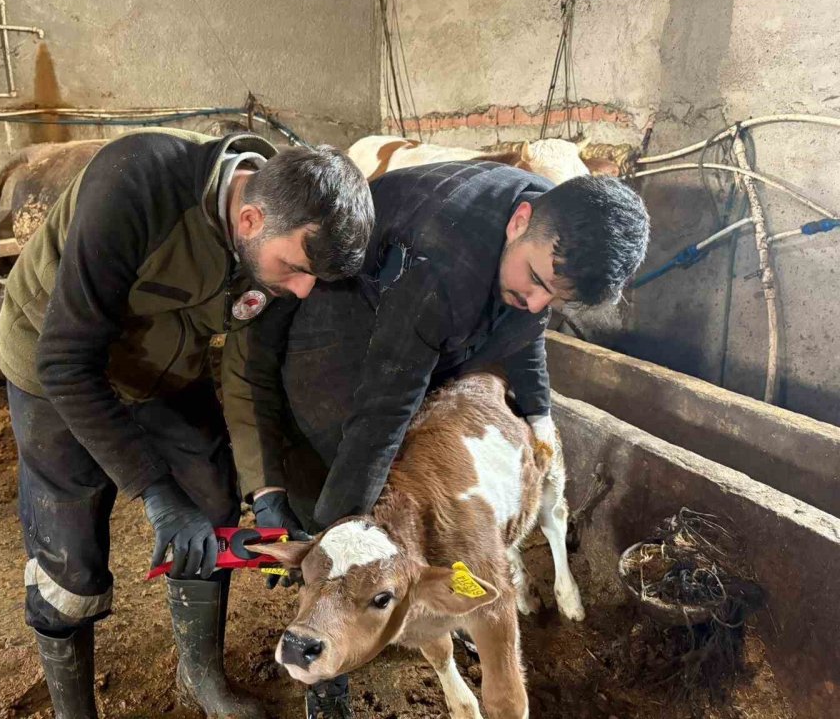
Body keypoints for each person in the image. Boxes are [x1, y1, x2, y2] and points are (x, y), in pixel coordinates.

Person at [222, 161, 651, 718]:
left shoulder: (555, 224)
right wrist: (339, 534)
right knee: (352, 505)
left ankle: (394, 596)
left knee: (406, 512)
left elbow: (525, 331)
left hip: (422, 344)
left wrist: (541, 416)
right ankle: (328, 663)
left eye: (558, 300)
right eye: (540, 284)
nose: (541, 304)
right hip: (336, 353)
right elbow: (383, 409)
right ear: (519, 222)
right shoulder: (445, 266)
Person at [0, 127, 374, 719]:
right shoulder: (135, 183)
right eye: (296, 270)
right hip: (54, 362)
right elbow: (67, 362)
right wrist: (157, 495)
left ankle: (200, 680)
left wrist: (268, 492)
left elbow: (245, 377)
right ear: (248, 219)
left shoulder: (280, 229)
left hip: (161, 368)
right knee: (70, 555)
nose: (301, 291)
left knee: (213, 501)